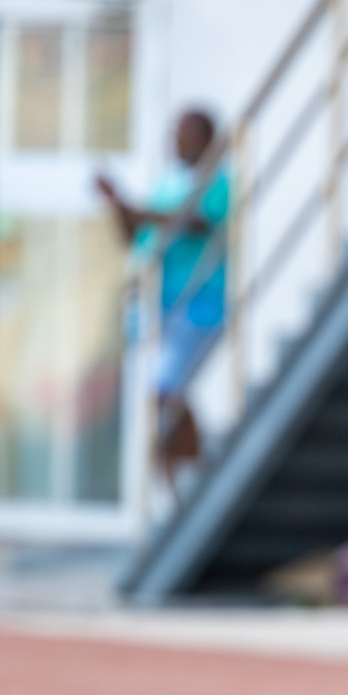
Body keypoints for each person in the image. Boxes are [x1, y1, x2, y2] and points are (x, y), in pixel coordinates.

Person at [95, 109, 229, 491]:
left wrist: (137, 210)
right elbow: (135, 234)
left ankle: (192, 475)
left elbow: (194, 222)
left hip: (199, 305)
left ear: (208, 140)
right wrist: (116, 202)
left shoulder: (219, 181)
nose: (178, 141)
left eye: (188, 133)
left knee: (166, 391)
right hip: (159, 308)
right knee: (163, 397)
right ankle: (182, 478)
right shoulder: (168, 185)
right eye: (175, 132)